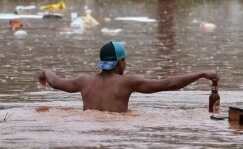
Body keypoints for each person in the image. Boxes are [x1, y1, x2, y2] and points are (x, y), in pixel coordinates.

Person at [38, 41, 219, 113]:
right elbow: (169, 84)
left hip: (89, 129)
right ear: (119, 62)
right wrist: (201, 74)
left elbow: (55, 82)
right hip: (118, 131)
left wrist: (45, 71)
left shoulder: (84, 81)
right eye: (124, 60)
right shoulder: (128, 82)